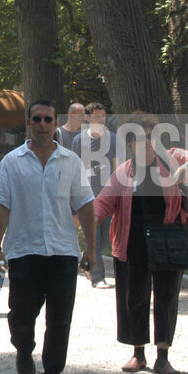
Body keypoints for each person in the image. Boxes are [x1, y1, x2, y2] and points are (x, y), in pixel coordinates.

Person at [0, 98, 97, 374]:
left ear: (54, 122)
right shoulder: (12, 162)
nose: (43, 125)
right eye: (37, 119)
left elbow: (86, 205)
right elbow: (0, 206)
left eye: (48, 119)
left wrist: (91, 246)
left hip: (63, 251)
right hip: (24, 251)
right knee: (21, 316)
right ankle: (24, 348)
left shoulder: (71, 162)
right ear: (27, 123)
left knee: (60, 319)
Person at [94, 113, 188, 374]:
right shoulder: (123, 172)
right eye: (139, 137)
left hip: (167, 238)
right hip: (132, 239)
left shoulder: (172, 158)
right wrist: (85, 223)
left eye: (150, 136)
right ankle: (138, 353)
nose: (146, 142)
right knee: (134, 296)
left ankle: (163, 357)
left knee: (167, 295)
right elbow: (102, 204)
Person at [72, 103, 118, 288]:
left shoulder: (113, 139)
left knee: (106, 237)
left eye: (103, 116)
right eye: (97, 116)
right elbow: (75, 167)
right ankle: (98, 277)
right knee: (94, 235)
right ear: (88, 118)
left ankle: (87, 259)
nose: (101, 119)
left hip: (108, 195)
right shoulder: (78, 141)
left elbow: (117, 166)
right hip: (87, 196)